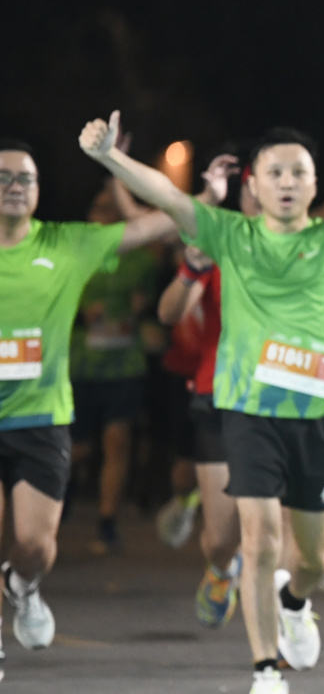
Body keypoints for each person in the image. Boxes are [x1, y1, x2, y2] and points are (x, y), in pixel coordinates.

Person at [80, 111, 324, 694]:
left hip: (319, 416)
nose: (288, 182)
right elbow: (166, 195)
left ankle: (295, 600)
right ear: (254, 183)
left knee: (314, 561)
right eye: (275, 172)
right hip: (249, 411)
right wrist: (111, 156)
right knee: (259, 540)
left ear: (315, 182)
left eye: (299, 172)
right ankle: (266, 676)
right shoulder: (229, 235)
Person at [0, 139, 176, 675]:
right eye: (3, 177)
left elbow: (162, 223)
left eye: (25, 178)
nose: (14, 187)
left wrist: (117, 167)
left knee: (35, 546)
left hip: (41, 417)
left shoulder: (68, 243)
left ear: (38, 190)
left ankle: (24, 585)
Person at [155, 153, 245, 628]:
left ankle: (289, 611)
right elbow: (169, 312)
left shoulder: (308, 244)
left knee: (276, 523)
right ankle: (223, 565)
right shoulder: (220, 243)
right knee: (221, 537)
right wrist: (192, 266)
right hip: (219, 394)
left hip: (288, 398)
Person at [69, 177, 170, 554]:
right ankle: (62, 486)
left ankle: (107, 521)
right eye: (98, 210)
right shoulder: (76, 255)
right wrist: (80, 311)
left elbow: (155, 302)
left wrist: (142, 309)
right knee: (77, 448)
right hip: (82, 364)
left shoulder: (142, 261)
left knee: (118, 441)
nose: (103, 217)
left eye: (111, 211)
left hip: (124, 365)